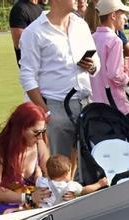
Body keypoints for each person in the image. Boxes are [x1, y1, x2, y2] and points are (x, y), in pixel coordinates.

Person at [19, 0, 99, 161]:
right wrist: (46, 113)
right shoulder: (34, 32)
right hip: (55, 107)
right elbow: (27, 76)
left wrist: (91, 65)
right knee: (59, 171)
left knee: (89, 167)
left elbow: (96, 63)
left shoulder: (81, 25)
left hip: (85, 105)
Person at [0, 103, 51, 219]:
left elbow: (52, 174)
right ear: (21, 129)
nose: (40, 137)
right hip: (2, 200)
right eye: (36, 132)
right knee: (3, 218)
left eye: (43, 131)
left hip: (32, 199)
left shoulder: (39, 144)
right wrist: (27, 197)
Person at [89, 0, 129, 117]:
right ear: (113, 15)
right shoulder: (115, 40)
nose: (125, 18)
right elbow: (114, 74)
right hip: (115, 103)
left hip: (96, 103)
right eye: (123, 14)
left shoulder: (92, 37)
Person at [35, 154, 108, 206]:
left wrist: (38, 171)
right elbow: (84, 190)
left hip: (45, 213)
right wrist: (99, 184)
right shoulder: (71, 186)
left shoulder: (43, 182)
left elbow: (37, 178)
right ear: (66, 174)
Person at [9, 0, 44, 65]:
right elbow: (20, 44)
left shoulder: (40, 8)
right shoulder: (19, 9)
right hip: (31, 67)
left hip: (44, 65)